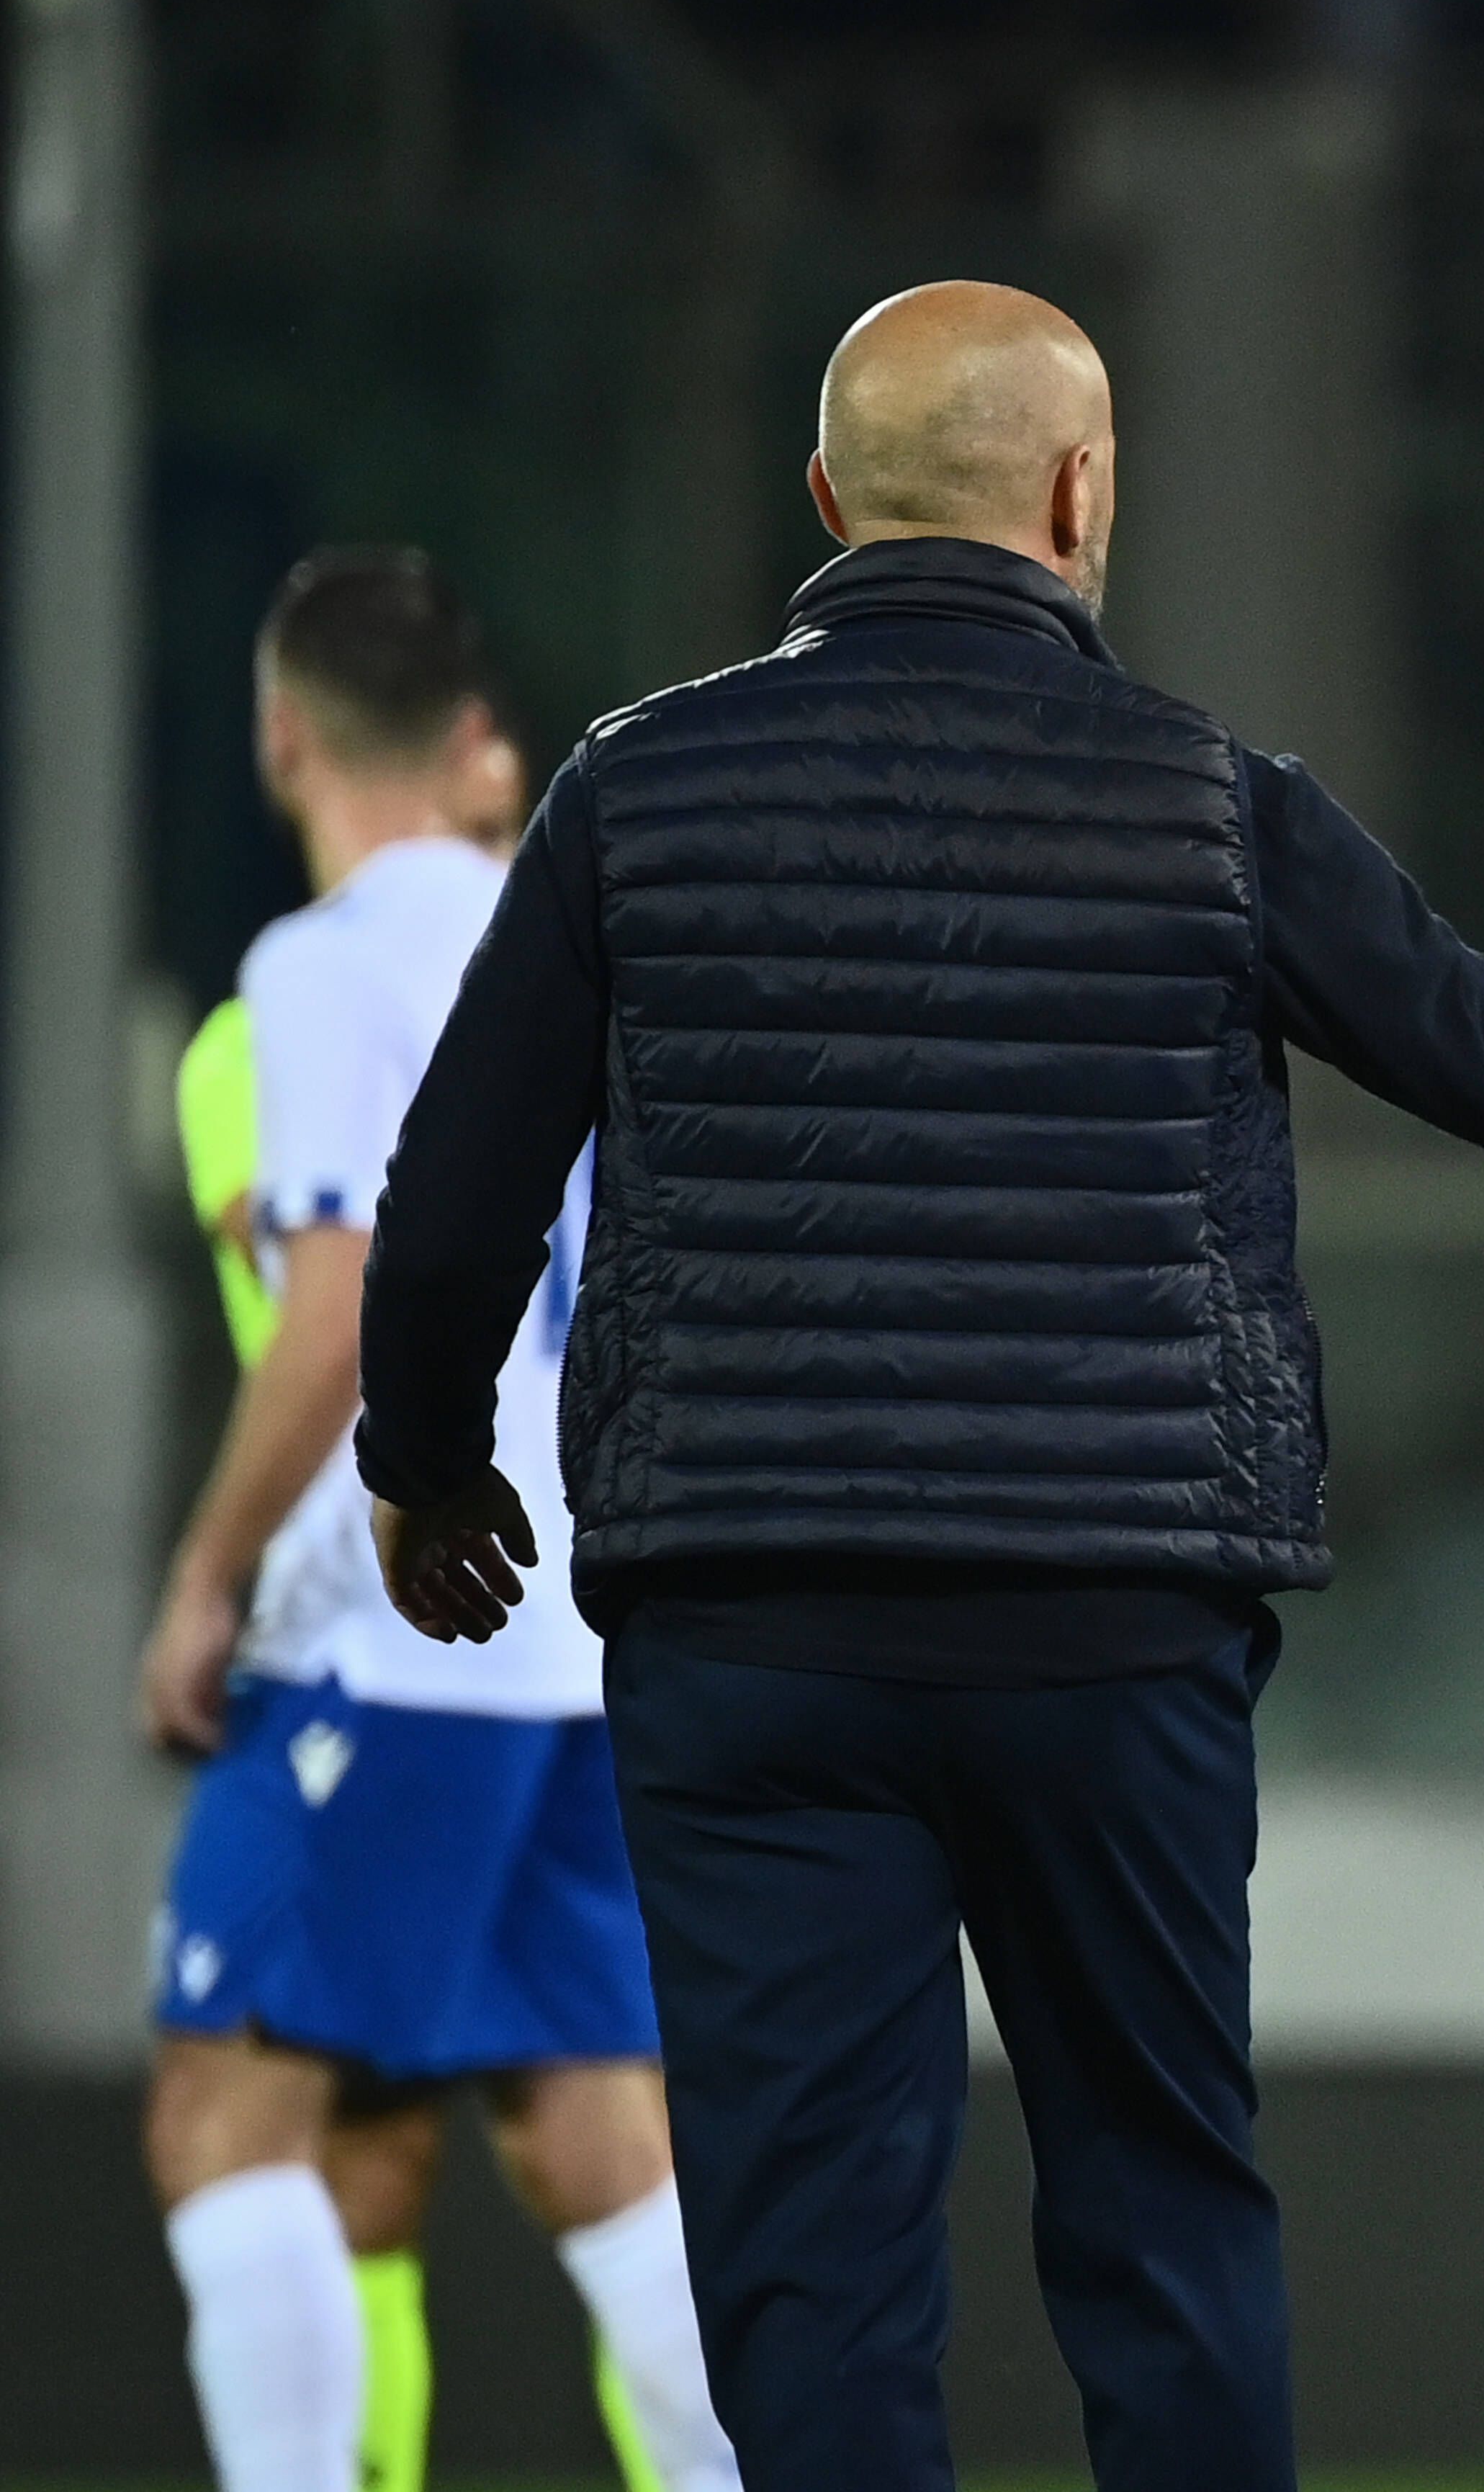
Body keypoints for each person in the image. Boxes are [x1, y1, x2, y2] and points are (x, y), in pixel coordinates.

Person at [348, 281, 1484, 2492]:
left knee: (812, 2274)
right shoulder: (1211, 804)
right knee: (1159, 2219)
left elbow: (453, 1203)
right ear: (1085, 496)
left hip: (748, 1628)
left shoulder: (637, 790)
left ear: (825, 502)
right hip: (1112, 1633)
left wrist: (430, 1473)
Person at [136, 550, 742, 2492]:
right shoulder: (579, 930)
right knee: (598, 2137)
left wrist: (204, 1579)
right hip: (588, 1626)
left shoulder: (320, 973)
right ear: (472, 740)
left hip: (395, 1622)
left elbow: (337, 1309)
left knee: (225, 2112)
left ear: (282, 733)